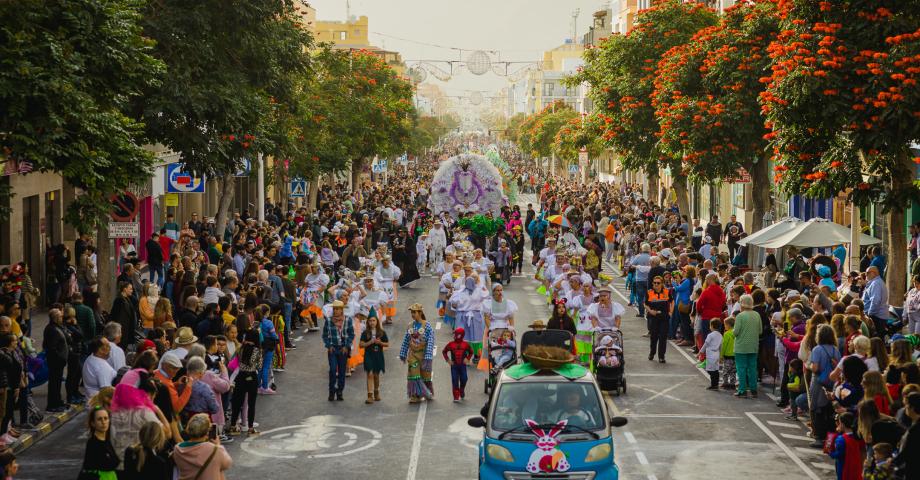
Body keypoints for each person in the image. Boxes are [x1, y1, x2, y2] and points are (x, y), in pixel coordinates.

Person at [173, 414, 233, 480]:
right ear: (207, 432)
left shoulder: (177, 449)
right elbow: (227, 464)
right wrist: (218, 445)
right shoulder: (215, 450)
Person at [398, 304, 435, 404]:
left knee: (425, 375)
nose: (413, 314)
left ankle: (426, 392)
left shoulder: (427, 326)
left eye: (414, 312)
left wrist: (428, 356)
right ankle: (415, 395)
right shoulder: (410, 325)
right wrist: (403, 353)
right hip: (413, 355)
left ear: (420, 313)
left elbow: (431, 341)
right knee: (414, 375)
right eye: (412, 312)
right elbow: (406, 340)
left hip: (423, 355)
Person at [228, 329, 261, 436]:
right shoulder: (257, 350)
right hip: (252, 377)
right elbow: (259, 366)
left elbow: (237, 360)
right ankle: (250, 428)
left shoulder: (240, 348)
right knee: (251, 404)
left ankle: (233, 426)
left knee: (237, 402)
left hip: (241, 376)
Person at [322, 301, 353, 402]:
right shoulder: (329, 320)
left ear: (342, 310)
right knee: (332, 369)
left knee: (342, 371)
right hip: (333, 349)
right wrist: (328, 345)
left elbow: (351, 334)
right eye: (334, 309)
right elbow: (325, 335)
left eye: (338, 309)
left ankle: (340, 391)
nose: (336, 311)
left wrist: (347, 346)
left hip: (343, 349)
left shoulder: (348, 320)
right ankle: (331, 391)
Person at [79, 406, 119, 480]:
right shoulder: (93, 444)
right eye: (99, 419)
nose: (103, 422)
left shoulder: (106, 440)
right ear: (93, 423)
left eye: (106, 418)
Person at [733, 294, 760, 399]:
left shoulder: (740, 316)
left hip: (741, 346)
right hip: (753, 345)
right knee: (752, 368)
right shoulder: (756, 315)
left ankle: (742, 390)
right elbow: (760, 330)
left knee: (741, 369)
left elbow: (736, 332)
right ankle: (753, 390)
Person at [42, 308, 69, 412]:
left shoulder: (56, 327)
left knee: (57, 383)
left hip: (58, 361)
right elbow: (51, 347)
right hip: (55, 362)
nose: (62, 318)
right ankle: (53, 404)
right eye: (60, 316)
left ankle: (57, 402)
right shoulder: (52, 329)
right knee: (54, 383)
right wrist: (60, 358)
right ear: (56, 318)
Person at [359, 313, 388, 404]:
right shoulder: (365, 333)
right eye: (370, 321)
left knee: (376, 374)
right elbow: (361, 345)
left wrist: (380, 343)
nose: (372, 322)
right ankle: (370, 395)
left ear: (377, 321)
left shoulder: (381, 332)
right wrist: (370, 342)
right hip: (368, 355)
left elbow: (387, 344)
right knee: (370, 373)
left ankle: (376, 392)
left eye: (374, 320)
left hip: (378, 355)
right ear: (368, 322)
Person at [827, 411, 864, 480]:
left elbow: (838, 454)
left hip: (844, 466)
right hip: (856, 465)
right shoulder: (858, 436)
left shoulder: (841, 439)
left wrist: (830, 452)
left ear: (843, 424)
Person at [645, 275, 672, 363]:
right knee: (654, 337)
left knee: (663, 337)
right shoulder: (649, 292)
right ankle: (652, 353)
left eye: (658, 283)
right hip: (653, 317)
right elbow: (645, 303)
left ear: (662, 284)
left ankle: (661, 356)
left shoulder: (666, 292)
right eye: (654, 283)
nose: (656, 284)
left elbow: (672, 301)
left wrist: (670, 312)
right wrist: (650, 311)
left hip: (664, 317)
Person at [442, 327, 473, 402]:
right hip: (454, 366)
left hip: (462, 366)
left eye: (456, 334)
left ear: (460, 335)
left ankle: (461, 389)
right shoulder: (451, 344)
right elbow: (444, 351)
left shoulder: (465, 344)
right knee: (455, 380)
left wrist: (468, 358)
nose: (454, 336)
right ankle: (456, 396)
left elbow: (471, 351)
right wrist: (448, 360)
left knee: (464, 379)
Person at [894, 392, 920, 478]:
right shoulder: (914, 424)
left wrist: (892, 462)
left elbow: (907, 452)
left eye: (906, 405)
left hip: (913, 470)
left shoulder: (915, 429)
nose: (905, 408)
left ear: (912, 408)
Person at [861, 266, 889, 338]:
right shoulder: (875, 282)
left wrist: (870, 314)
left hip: (877, 317)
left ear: (874, 273)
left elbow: (875, 301)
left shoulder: (876, 283)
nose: (866, 275)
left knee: (876, 340)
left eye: (867, 273)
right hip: (877, 316)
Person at [703, 319, 723, 391]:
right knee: (715, 369)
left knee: (710, 370)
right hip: (717, 354)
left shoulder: (710, 335)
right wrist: (721, 356)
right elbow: (721, 346)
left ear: (711, 326)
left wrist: (700, 352)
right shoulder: (720, 335)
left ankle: (713, 385)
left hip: (711, 354)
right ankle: (716, 384)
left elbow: (706, 344)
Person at [720, 316, 737, 390]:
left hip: (727, 356)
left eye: (725, 325)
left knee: (726, 370)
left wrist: (721, 355)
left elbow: (724, 345)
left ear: (729, 325)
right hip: (735, 355)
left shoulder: (727, 334)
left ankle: (725, 383)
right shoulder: (736, 333)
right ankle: (732, 384)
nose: (724, 326)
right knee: (733, 371)